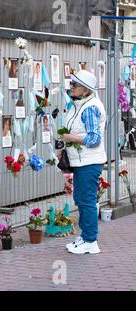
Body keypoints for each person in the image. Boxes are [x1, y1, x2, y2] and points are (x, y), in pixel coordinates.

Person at [60, 70, 107, 255]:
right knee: (80, 198)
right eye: (71, 83)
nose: (71, 87)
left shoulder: (89, 107)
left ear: (85, 90)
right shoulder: (79, 104)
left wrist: (69, 137)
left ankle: (90, 241)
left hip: (89, 161)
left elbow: (94, 138)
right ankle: (86, 235)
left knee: (86, 200)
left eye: (74, 85)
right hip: (82, 161)